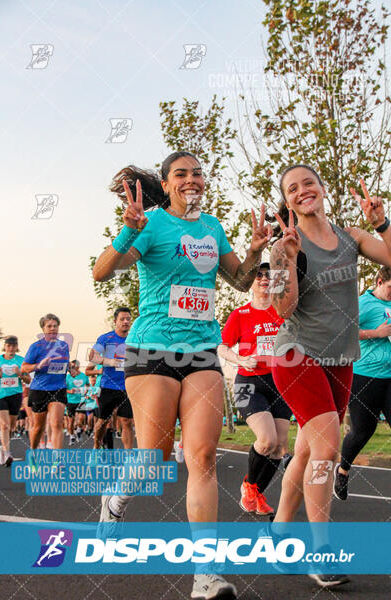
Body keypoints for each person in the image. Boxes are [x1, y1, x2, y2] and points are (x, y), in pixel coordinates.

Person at [92, 151, 273, 600]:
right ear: (167, 184)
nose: (191, 179)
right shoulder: (151, 223)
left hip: (201, 353)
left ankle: (205, 575)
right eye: (181, 174)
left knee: (203, 457)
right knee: (153, 457)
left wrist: (253, 251)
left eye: (197, 172)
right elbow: (101, 271)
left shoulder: (212, 226)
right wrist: (127, 230)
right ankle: (115, 500)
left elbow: (237, 279)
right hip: (151, 349)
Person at [269, 166, 391, 587]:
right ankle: (320, 552)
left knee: (305, 452)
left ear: (321, 189)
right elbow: (283, 310)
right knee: (326, 447)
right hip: (295, 356)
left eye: (308, 183)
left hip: (339, 359)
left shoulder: (351, 237)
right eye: (293, 189)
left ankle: (280, 532)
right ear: (287, 201)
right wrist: (286, 258)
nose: (303, 191)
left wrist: (382, 222)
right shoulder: (285, 245)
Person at [218, 263, 291, 516]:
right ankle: (249, 485)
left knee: (281, 447)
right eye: (258, 275)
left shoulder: (283, 311)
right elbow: (222, 347)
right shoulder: (240, 314)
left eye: (268, 276)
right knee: (267, 440)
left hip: (280, 383)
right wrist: (240, 359)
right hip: (248, 383)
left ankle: (256, 491)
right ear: (251, 282)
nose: (263, 279)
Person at [334, 266, 391, 500]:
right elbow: (342, 331)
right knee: (363, 431)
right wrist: (375, 333)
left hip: (389, 377)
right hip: (364, 378)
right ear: (378, 281)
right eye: (390, 289)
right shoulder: (363, 304)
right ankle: (343, 471)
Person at [86, 307, 134, 450]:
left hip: (127, 387)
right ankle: (96, 446)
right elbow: (93, 356)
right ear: (115, 321)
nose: (126, 322)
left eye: (128, 319)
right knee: (103, 421)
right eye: (122, 319)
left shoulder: (134, 339)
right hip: (108, 386)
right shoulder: (106, 338)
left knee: (126, 421)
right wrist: (109, 361)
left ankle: (128, 457)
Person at [22, 313, 70, 450]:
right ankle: (34, 452)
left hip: (58, 388)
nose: (52, 329)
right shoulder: (36, 347)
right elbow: (24, 368)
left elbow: (62, 365)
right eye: (49, 326)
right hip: (40, 389)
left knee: (56, 423)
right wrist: (38, 365)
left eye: (55, 326)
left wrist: (70, 368)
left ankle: (57, 459)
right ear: (43, 329)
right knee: (38, 428)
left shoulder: (64, 346)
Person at [0, 336, 30, 466]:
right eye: (8, 345)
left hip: (15, 395)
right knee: (4, 425)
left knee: (11, 427)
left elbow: (29, 380)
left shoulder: (21, 360)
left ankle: (2, 449)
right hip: (0, 395)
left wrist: (20, 374)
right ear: (5, 346)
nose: (11, 347)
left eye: (13, 345)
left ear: (16, 347)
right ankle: (8, 453)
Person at [66, 360, 89, 445]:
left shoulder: (84, 376)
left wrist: (86, 390)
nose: (71, 368)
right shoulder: (68, 377)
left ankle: (78, 430)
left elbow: (88, 385)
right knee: (71, 421)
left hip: (81, 400)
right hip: (70, 400)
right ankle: (72, 436)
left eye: (73, 367)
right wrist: (69, 391)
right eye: (70, 367)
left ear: (78, 367)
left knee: (81, 419)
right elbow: (63, 389)